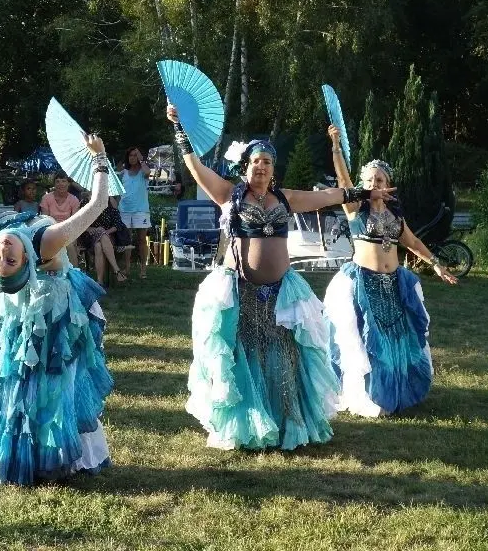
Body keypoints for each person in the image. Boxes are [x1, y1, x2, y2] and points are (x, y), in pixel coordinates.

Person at [168, 104, 397, 451]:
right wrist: (179, 129)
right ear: (246, 165)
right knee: (244, 355)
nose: (262, 166)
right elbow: (195, 168)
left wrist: (366, 194)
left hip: (281, 294)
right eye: (256, 160)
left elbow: (329, 196)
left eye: (268, 161)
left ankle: (287, 421)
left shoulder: (285, 198)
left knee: (284, 355)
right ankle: (248, 424)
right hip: (240, 289)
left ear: (274, 169)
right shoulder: (229, 195)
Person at [0, 124, 113, 487]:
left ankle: (26, 450)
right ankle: (36, 454)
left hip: (35, 308)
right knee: (35, 381)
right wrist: (99, 157)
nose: (3, 252)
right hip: (37, 313)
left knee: (29, 381)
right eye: (9, 260)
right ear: (28, 262)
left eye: (1, 258)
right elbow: (97, 205)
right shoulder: (47, 241)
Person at [323, 125, 457, 417]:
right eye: (370, 179)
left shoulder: (396, 214)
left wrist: (436, 263)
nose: (374, 183)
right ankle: (371, 397)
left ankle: (399, 391)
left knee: (398, 339)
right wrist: (335, 145)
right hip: (364, 283)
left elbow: (411, 241)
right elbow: (343, 178)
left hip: (395, 283)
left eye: (379, 179)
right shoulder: (356, 208)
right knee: (369, 340)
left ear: (388, 184)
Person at [119, 146, 152, 280]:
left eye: (135, 155)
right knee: (127, 241)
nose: (133, 158)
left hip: (141, 210)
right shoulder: (123, 172)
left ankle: (143, 269)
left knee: (141, 240)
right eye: (131, 155)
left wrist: (142, 159)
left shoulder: (143, 172)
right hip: (124, 209)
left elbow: (148, 171)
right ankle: (127, 268)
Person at [82, 196, 130, 286]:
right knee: (100, 235)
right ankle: (117, 271)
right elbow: (79, 221)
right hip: (90, 235)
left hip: (109, 235)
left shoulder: (110, 200)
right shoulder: (84, 202)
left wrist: (106, 232)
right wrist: (89, 229)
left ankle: (100, 281)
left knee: (98, 245)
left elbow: (118, 223)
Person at [40, 172, 81, 264]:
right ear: (54, 184)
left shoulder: (74, 200)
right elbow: (45, 219)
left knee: (69, 245)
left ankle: (74, 273)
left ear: (68, 183)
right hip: (50, 230)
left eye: (63, 181)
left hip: (68, 230)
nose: (60, 184)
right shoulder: (46, 198)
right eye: (57, 181)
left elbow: (75, 221)